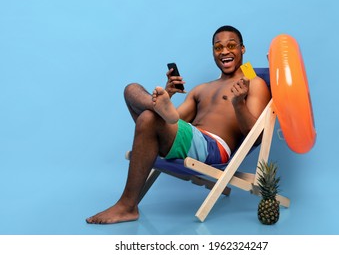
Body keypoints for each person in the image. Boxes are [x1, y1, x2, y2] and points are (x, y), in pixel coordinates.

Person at [86, 25, 271, 224]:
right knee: (131, 90)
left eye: (231, 45)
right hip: (187, 137)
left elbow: (257, 136)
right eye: (218, 48)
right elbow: (174, 119)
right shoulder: (201, 89)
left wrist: (238, 103)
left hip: (214, 147)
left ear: (242, 49)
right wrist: (169, 96)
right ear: (213, 52)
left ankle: (127, 206)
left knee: (148, 118)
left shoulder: (253, 83)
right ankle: (154, 104)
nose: (225, 51)